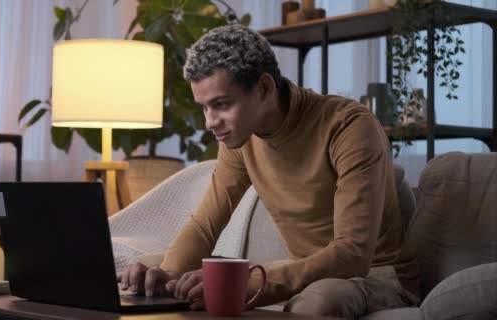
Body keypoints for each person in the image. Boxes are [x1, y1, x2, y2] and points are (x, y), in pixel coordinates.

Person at [118, 24, 419, 318]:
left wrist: (248, 283)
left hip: (377, 278)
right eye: (204, 107)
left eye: (221, 104)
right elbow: (205, 225)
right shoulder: (240, 138)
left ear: (264, 88)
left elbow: (352, 255)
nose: (210, 121)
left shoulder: (349, 127)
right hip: (305, 273)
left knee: (320, 300)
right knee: (154, 274)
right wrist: (169, 275)